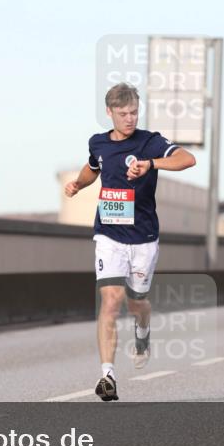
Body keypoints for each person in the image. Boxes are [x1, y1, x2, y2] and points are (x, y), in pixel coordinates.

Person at [65, 82, 196, 401]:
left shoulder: (150, 142)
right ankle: (108, 375)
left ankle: (143, 328)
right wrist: (78, 185)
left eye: (134, 112)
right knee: (110, 301)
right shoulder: (98, 143)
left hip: (143, 238)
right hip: (109, 235)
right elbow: (92, 168)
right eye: (123, 113)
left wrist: (151, 164)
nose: (130, 119)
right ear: (109, 112)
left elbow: (187, 159)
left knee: (137, 302)